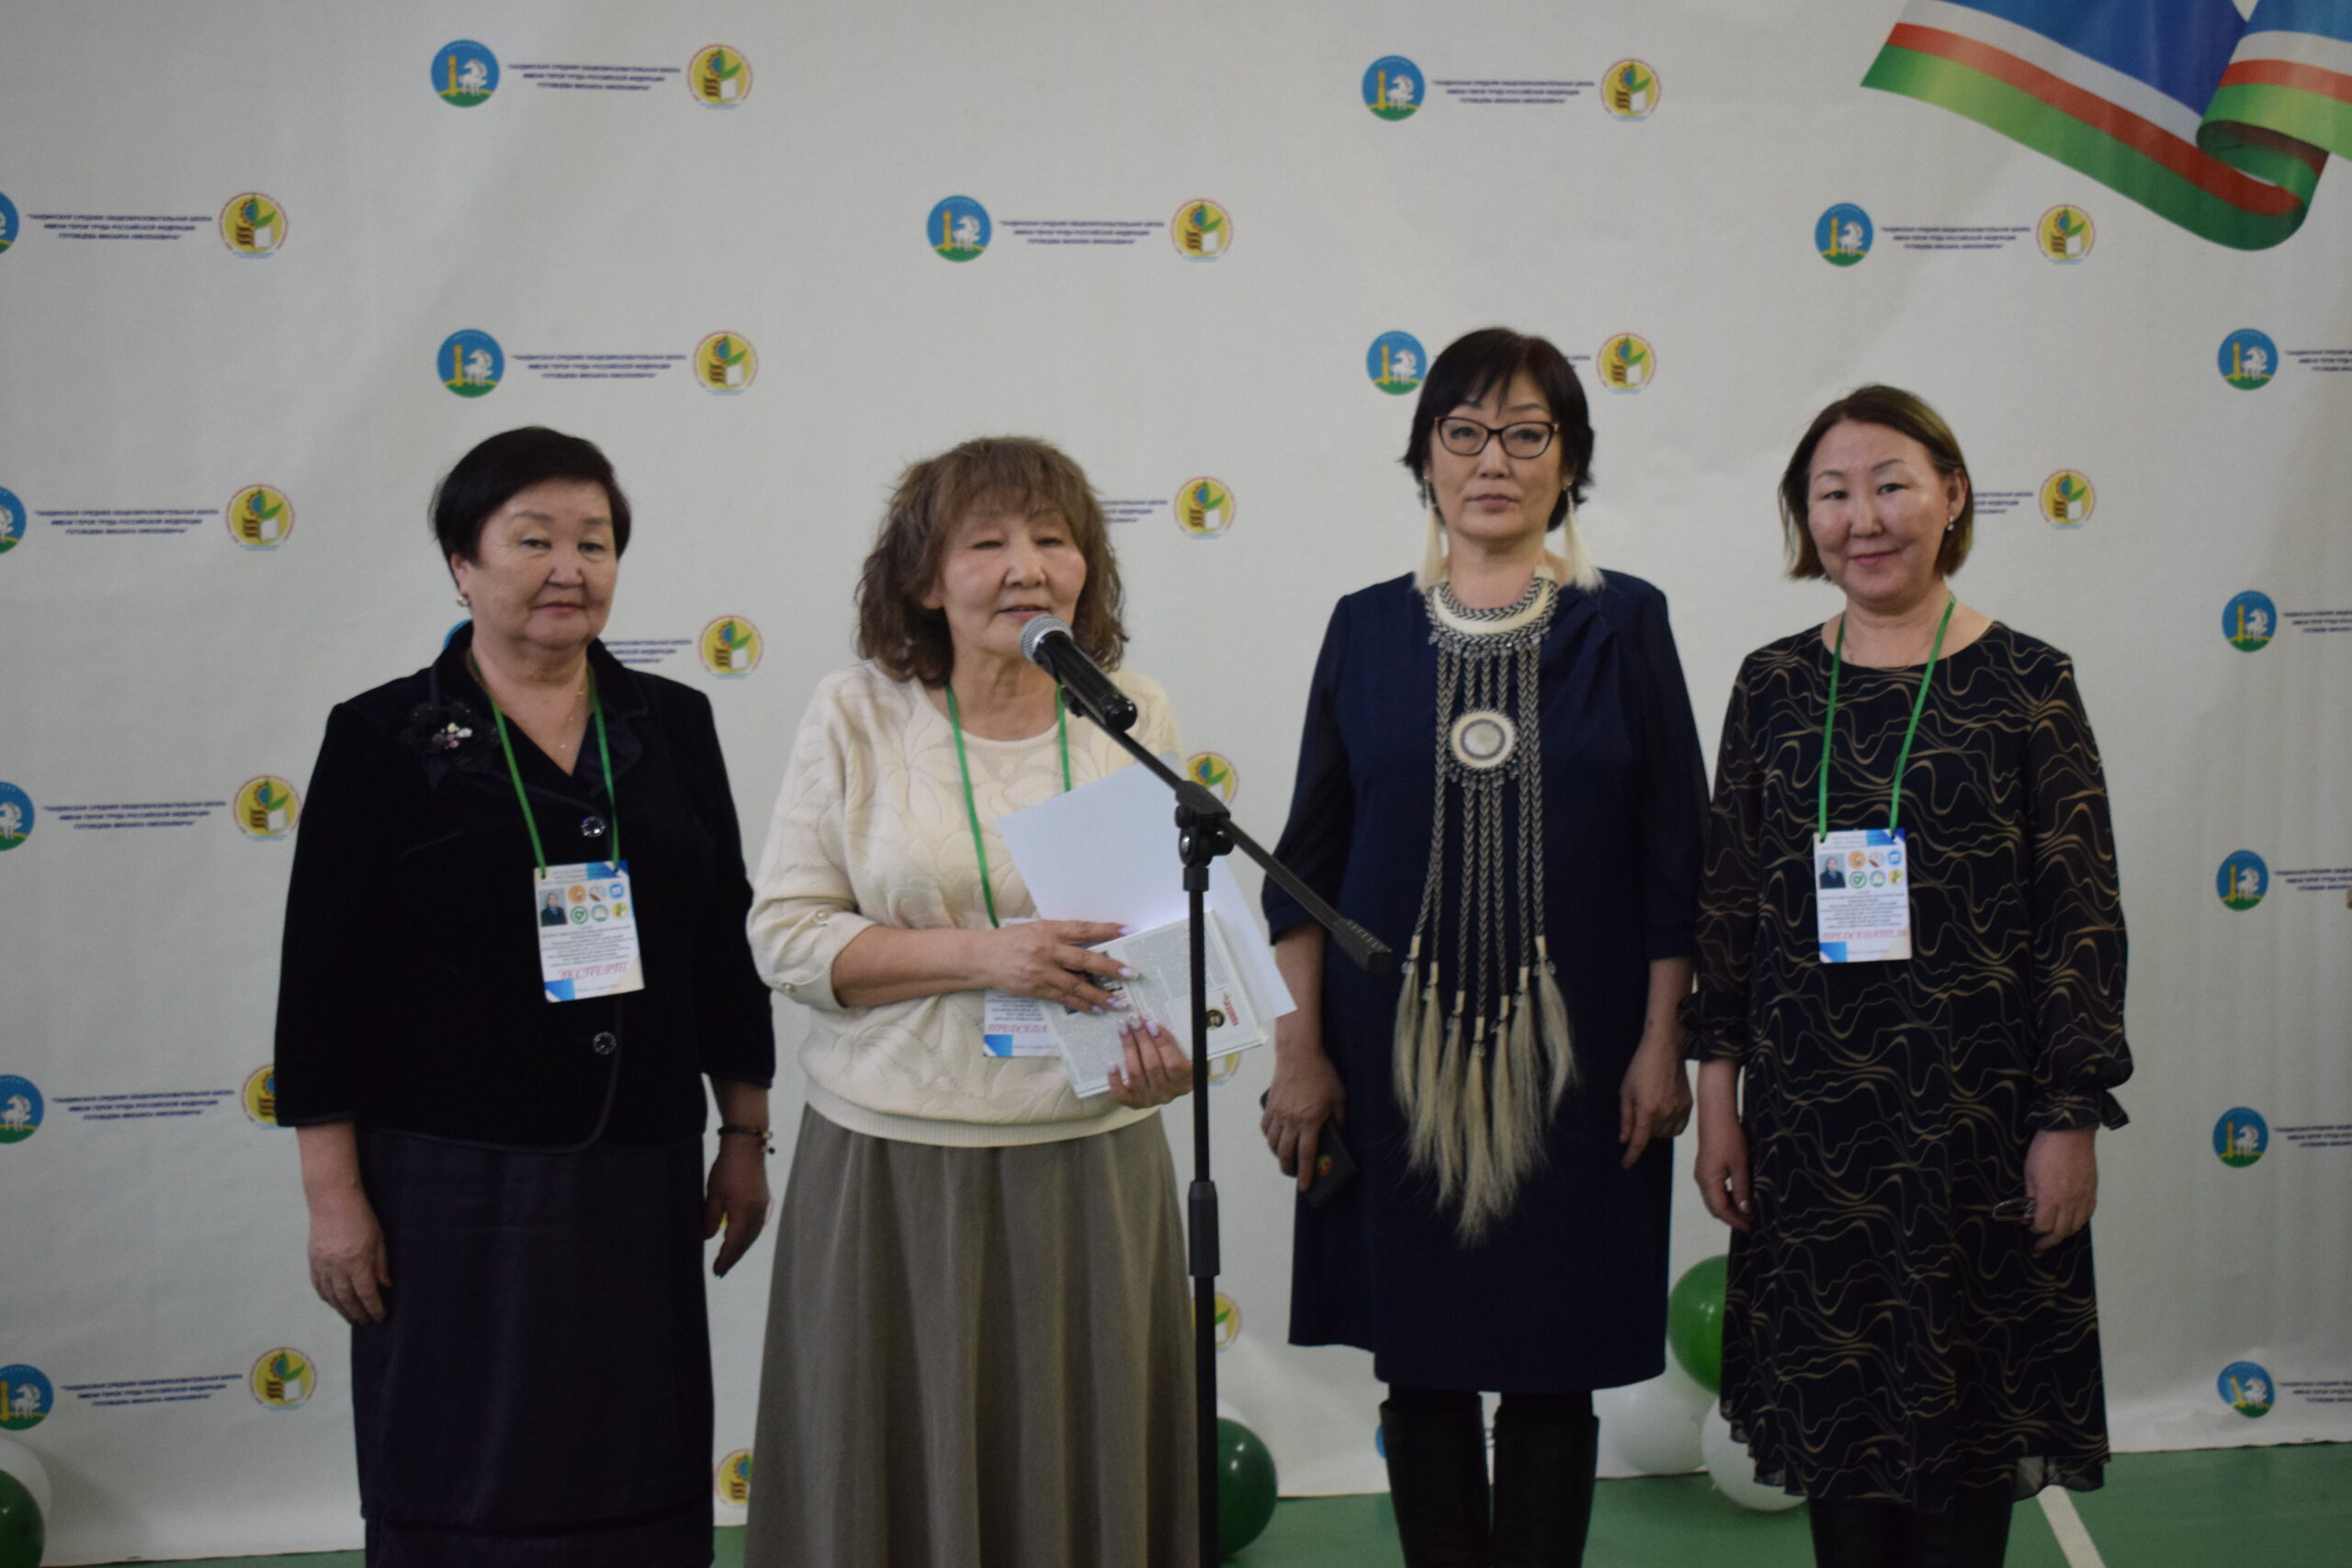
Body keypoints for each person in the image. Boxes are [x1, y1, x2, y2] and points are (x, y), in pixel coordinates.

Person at [275, 426, 775, 1566]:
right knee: (467, 1452)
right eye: (534, 540)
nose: (569, 569)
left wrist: (743, 1134)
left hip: (638, 1163)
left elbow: (721, 941)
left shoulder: (670, 723)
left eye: (594, 543)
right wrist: (332, 1196)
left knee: (633, 1446)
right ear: (462, 563)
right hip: (452, 1175)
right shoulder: (382, 735)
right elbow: (323, 981)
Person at [1259, 328, 1708, 1567]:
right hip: (1391, 1059)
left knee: (1555, 1361)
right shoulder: (1364, 628)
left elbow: (1677, 859)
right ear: (1425, 458)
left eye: (1524, 433)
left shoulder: (1625, 623)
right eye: (1462, 432)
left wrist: (1662, 1044)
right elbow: (1301, 868)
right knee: (1424, 1359)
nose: (1491, 460)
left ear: (1569, 461)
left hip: (1585, 1058)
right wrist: (1298, 1051)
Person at [1687, 386, 2132, 1567]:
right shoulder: (1772, 685)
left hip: (1977, 1130)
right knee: (1838, 1439)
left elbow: (2081, 918)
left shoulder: (2029, 681)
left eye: (1890, 485)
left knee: (1967, 1438)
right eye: (1831, 494)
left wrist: (2069, 1117)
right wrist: (1717, 1101)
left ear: (1950, 495)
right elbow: (1728, 909)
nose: (1863, 518)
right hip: (1812, 1132)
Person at [741, 436, 1197, 1568]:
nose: (1026, 567)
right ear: (923, 579)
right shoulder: (857, 712)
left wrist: (1180, 1049)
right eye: (986, 542)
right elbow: (785, 937)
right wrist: (986, 957)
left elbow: (1171, 941)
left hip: (1091, 1156)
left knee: (1077, 1475)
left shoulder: (1129, 712)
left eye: (1052, 540)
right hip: (893, 1163)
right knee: (888, 1479)